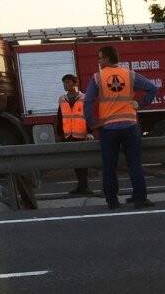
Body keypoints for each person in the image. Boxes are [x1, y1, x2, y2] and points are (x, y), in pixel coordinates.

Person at [83, 46, 158, 209]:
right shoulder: (129, 74)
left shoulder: (98, 78)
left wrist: (92, 123)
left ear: (108, 59)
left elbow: (88, 101)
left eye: (101, 58)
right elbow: (153, 88)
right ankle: (140, 199)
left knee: (109, 166)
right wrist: (140, 104)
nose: (99, 61)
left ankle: (112, 201)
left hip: (108, 129)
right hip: (130, 126)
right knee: (134, 164)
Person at [56, 74, 94, 196]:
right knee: (75, 163)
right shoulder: (62, 99)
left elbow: (88, 116)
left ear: (74, 83)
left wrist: (89, 132)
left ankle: (84, 186)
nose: (65, 85)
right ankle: (80, 186)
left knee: (83, 163)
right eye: (64, 83)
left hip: (81, 135)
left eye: (68, 82)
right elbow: (60, 117)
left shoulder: (83, 98)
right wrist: (60, 134)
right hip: (69, 136)